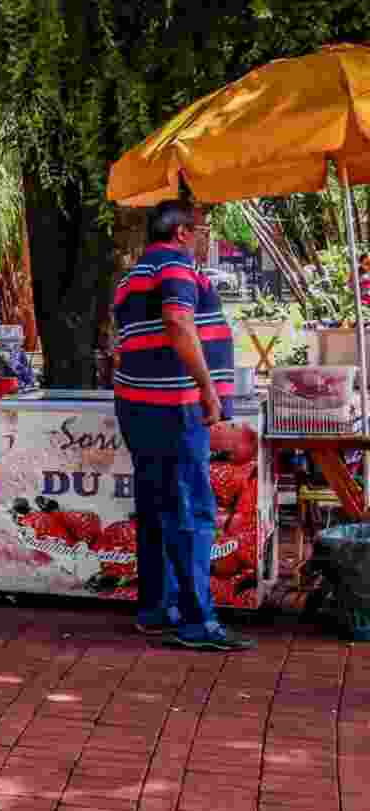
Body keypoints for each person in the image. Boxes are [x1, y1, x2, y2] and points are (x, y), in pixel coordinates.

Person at [113, 198, 250, 651]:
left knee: (158, 508)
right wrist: (209, 389)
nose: (206, 236)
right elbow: (176, 321)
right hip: (172, 408)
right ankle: (197, 621)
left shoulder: (134, 275)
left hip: (140, 407)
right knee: (191, 510)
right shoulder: (174, 267)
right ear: (182, 233)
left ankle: (158, 609)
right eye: (203, 228)